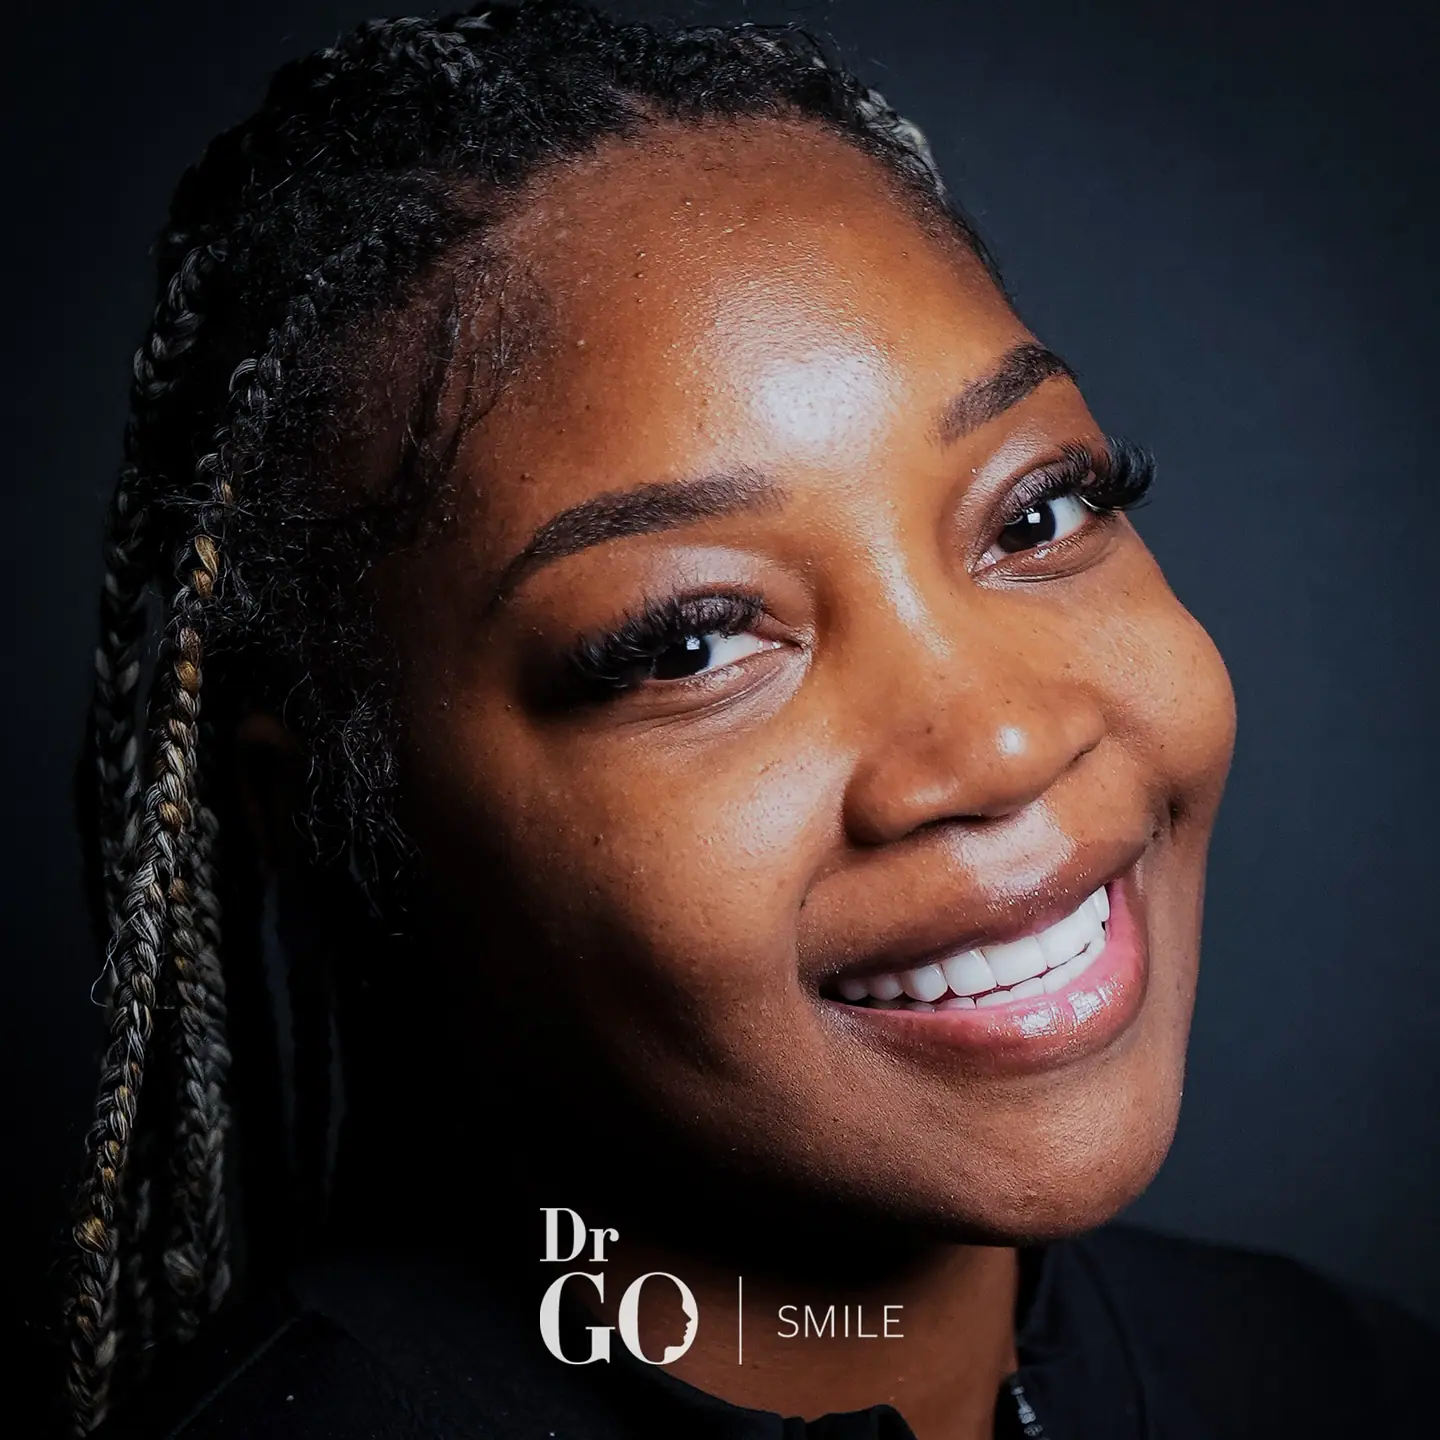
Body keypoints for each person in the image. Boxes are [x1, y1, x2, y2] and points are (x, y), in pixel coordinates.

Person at [65, 3, 1433, 1437]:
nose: (1004, 745)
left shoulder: (1345, 1385)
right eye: (693, 641)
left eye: (1036, 514)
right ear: (340, 828)